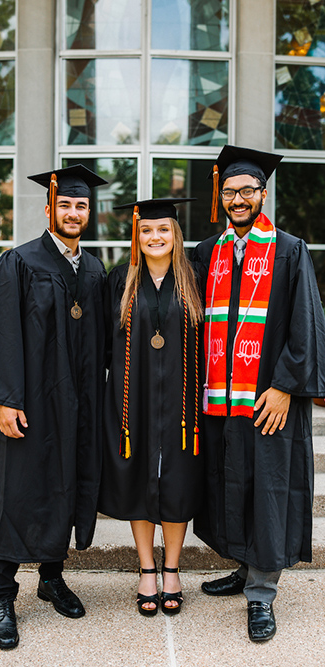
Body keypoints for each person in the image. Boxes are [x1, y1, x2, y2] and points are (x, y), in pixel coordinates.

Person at [0, 164, 108, 649]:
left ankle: (51, 578)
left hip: (80, 405)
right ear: (49, 208)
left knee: (66, 485)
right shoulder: (19, 262)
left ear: (89, 212)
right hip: (30, 404)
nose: (74, 212)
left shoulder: (93, 270)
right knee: (19, 490)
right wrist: (4, 401)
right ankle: (2, 594)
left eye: (82, 205)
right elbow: (0, 334)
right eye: (66, 204)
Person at [193, 145, 325, 642]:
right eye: (230, 191)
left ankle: (263, 593)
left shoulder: (289, 249)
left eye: (247, 190)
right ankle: (243, 567)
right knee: (234, 484)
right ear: (221, 197)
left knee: (268, 488)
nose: (238, 198)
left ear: (263, 194)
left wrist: (286, 388)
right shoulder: (209, 252)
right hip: (223, 400)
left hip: (270, 400)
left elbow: (306, 326)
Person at [98, 198, 204, 616]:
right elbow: (102, 344)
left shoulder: (195, 278)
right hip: (131, 399)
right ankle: (146, 568)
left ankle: (173, 568)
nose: (154, 237)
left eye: (163, 230)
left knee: (177, 480)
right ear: (136, 236)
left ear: (175, 235)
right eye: (146, 230)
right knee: (136, 476)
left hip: (183, 403)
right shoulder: (118, 280)